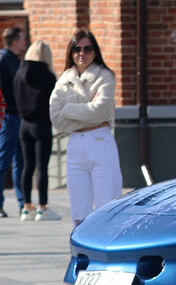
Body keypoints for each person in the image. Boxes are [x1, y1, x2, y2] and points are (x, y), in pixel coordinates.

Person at [49, 30, 122, 226]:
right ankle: (82, 254)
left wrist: (69, 108)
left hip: (100, 142)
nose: (82, 53)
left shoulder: (105, 76)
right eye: (77, 49)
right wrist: (86, 110)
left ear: (95, 52)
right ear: (70, 52)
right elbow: (56, 118)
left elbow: (99, 111)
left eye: (87, 48)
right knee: (79, 212)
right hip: (75, 146)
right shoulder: (64, 79)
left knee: (107, 207)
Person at [14, 41, 59, 221]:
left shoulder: (19, 74)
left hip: (24, 124)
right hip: (41, 124)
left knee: (27, 166)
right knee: (42, 168)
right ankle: (43, 207)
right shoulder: (48, 76)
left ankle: (26, 207)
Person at [0, 27, 27, 217]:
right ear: (15, 41)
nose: (25, 42)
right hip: (9, 117)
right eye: (23, 39)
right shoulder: (3, 60)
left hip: (20, 116)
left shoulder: (16, 61)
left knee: (21, 162)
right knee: (3, 160)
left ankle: (23, 203)